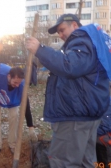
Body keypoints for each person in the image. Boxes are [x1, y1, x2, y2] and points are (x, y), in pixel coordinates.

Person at [25, 13, 109, 167]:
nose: (61, 34)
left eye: (62, 29)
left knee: (63, 162)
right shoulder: (89, 42)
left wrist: (40, 49)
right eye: (58, 32)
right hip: (85, 115)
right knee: (86, 162)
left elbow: (70, 65)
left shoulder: (82, 40)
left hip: (75, 117)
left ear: (74, 25)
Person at [0, 63, 38, 157]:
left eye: (19, 83)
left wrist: (30, 127)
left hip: (12, 99)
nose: (17, 85)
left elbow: (26, 105)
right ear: (9, 76)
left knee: (14, 117)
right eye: (15, 82)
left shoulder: (22, 85)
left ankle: (12, 144)